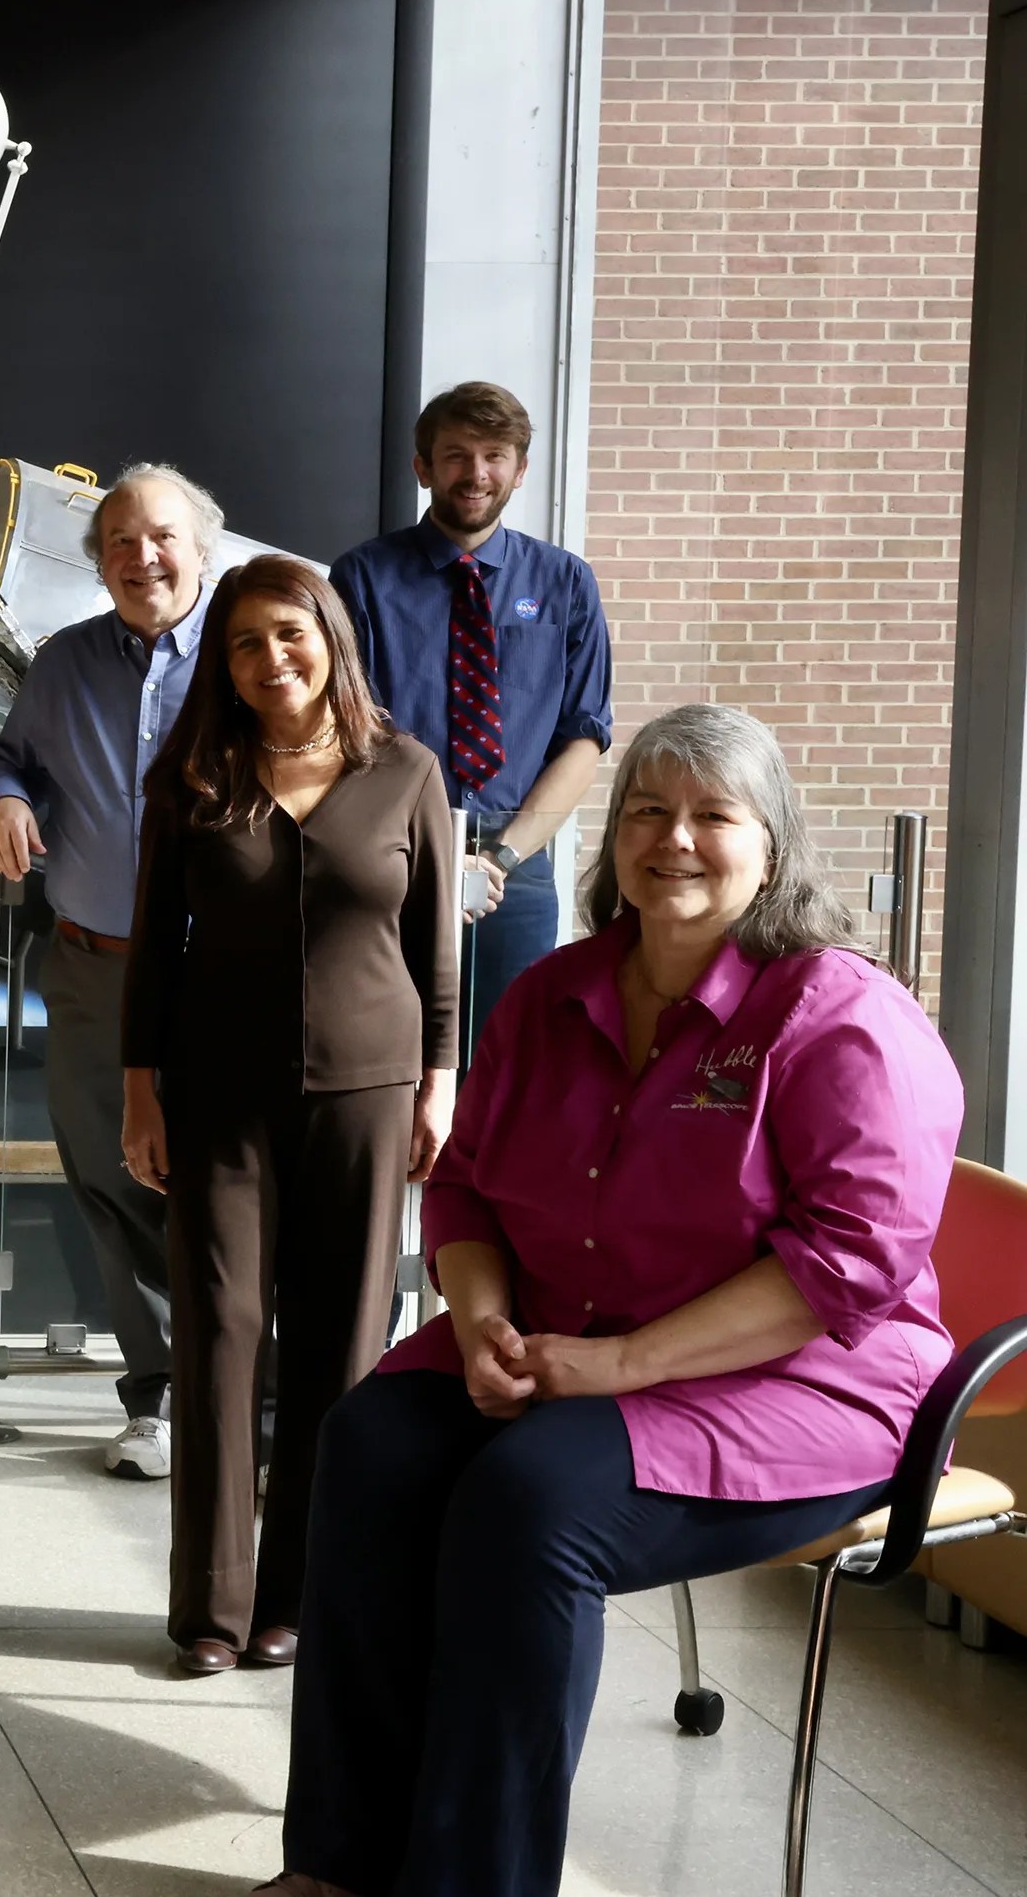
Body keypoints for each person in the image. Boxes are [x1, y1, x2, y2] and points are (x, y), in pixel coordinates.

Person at [267, 705, 961, 1897]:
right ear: (612, 839)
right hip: (563, 1341)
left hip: (799, 1378)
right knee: (368, 1443)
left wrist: (626, 1367)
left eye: (712, 816)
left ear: (773, 846)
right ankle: (338, 1862)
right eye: (647, 809)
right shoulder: (552, 995)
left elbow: (844, 1266)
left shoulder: (840, 1015)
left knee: (531, 1503)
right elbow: (472, 1191)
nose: (674, 839)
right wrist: (481, 1319)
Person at [120, 554, 458, 1677]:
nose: (272, 661)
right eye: (246, 644)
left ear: (331, 640)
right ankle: (210, 1611)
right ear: (224, 662)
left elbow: (437, 954)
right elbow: (152, 960)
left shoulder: (407, 773)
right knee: (217, 1333)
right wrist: (140, 1093)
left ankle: (302, 1598)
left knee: (342, 1345)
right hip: (217, 1092)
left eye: (290, 636)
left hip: (369, 1090)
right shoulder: (195, 778)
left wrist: (439, 1084)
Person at [0, 462, 219, 1479]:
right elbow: (5, 755)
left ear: (203, 549)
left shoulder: (257, 655)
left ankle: (257, 1393)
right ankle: (157, 1399)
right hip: (93, 971)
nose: (140, 557)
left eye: (160, 537)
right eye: (118, 542)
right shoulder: (65, 661)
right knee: (117, 1183)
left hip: (225, 981)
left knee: (229, 1187)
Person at [331, 381, 612, 1033]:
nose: (476, 473)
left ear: (521, 469)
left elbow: (584, 738)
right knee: (386, 1059)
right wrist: (428, 851)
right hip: (392, 855)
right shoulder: (362, 578)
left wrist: (502, 859)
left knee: (508, 1068)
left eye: (495, 455)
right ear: (423, 467)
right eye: (456, 455)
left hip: (516, 867)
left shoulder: (566, 583)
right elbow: (348, 729)